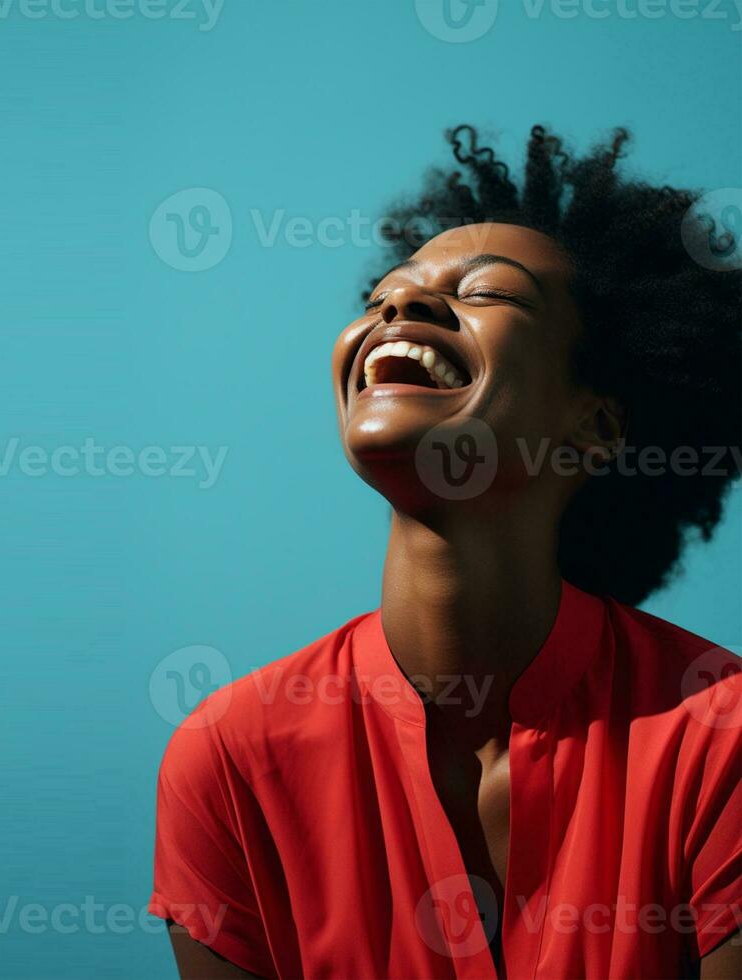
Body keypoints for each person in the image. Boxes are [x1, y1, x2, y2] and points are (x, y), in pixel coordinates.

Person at [151, 125, 742, 978]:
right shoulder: (232, 757)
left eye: (488, 293)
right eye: (383, 294)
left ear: (596, 426)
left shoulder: (717, 737)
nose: (399, 308)